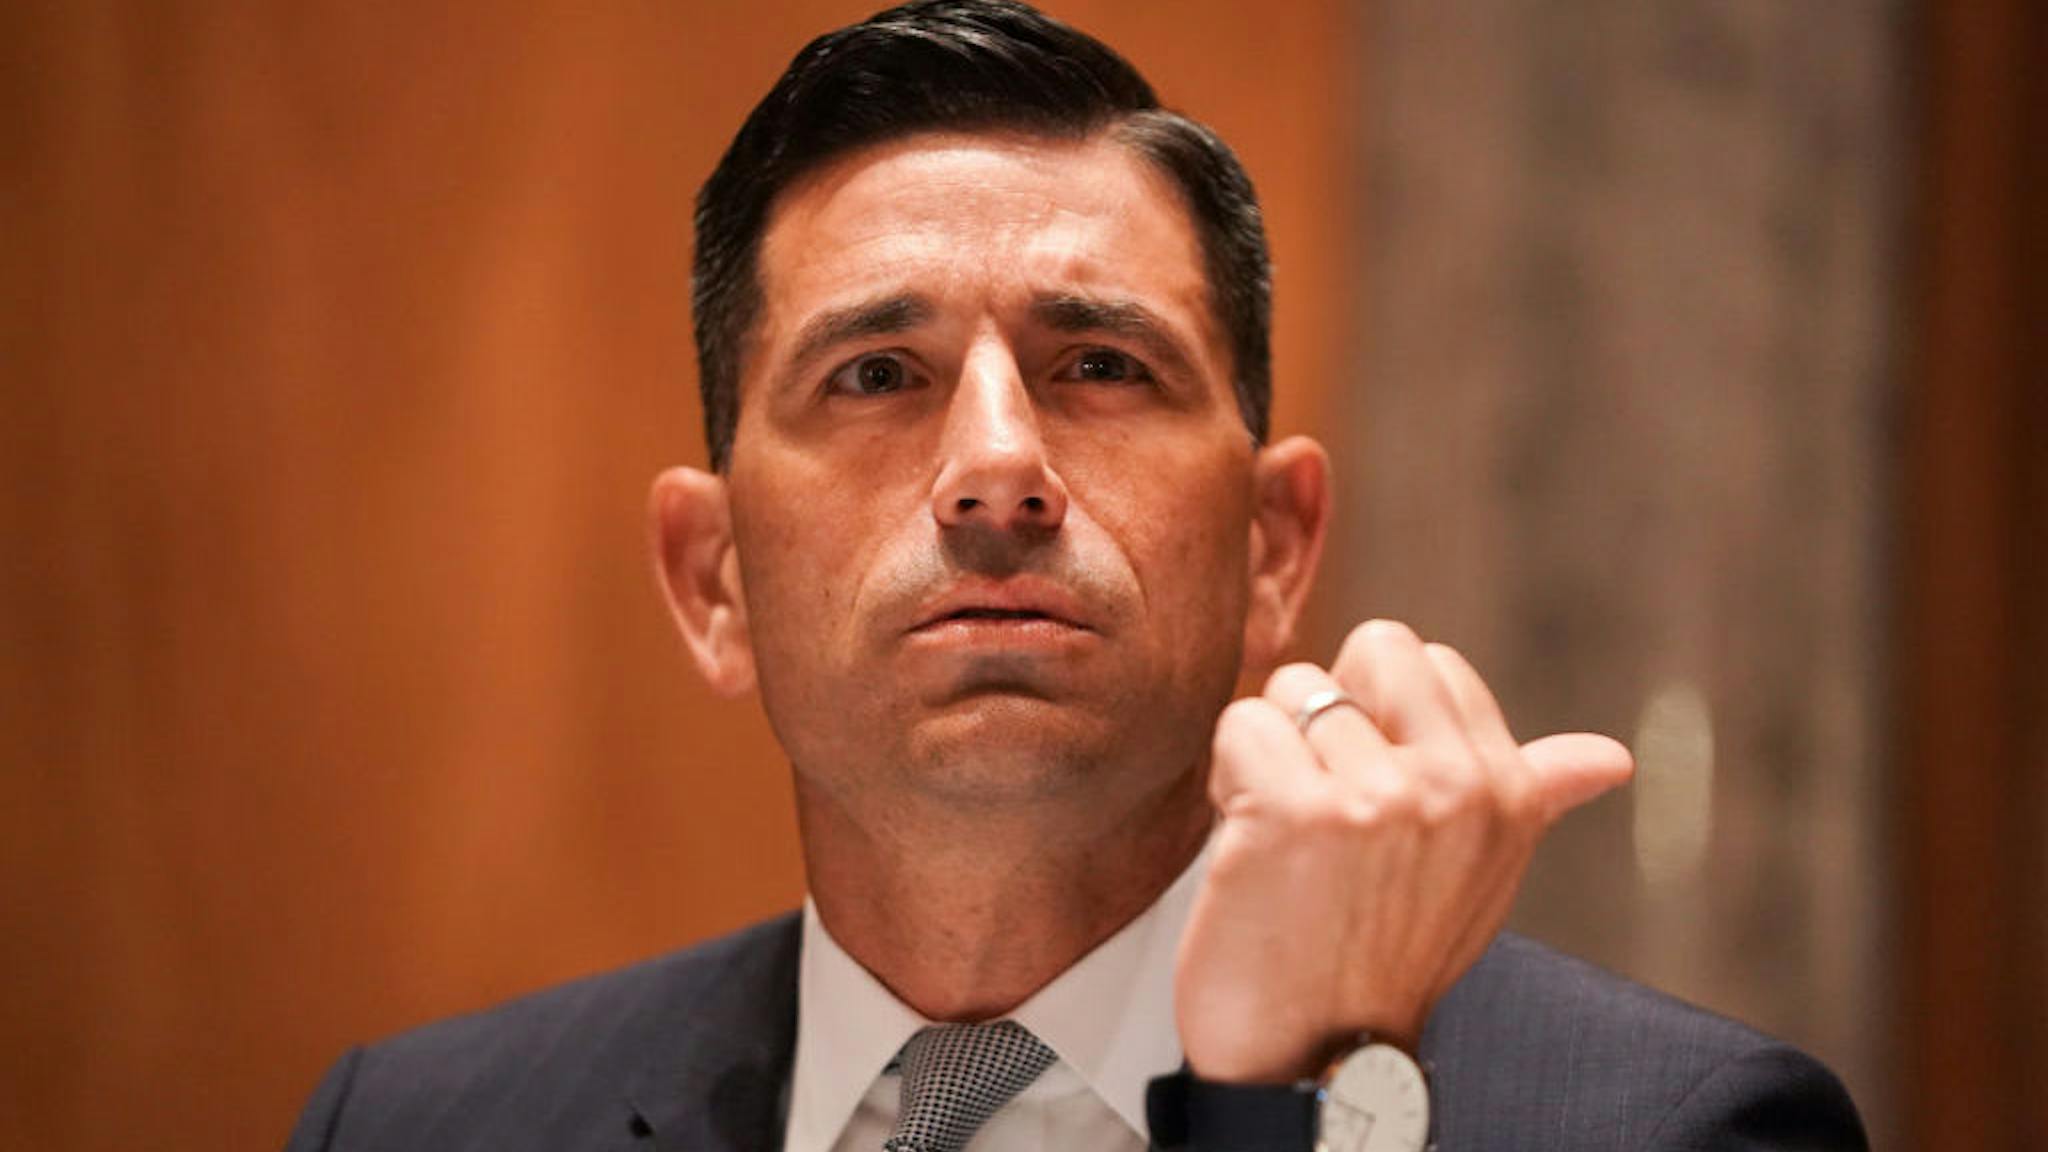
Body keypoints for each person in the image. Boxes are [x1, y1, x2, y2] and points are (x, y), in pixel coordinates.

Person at [284, 3, 1868, 1149]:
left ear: (1272, 547)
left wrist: (1318, 1104)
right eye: (875, 374)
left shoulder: (1675, 1129)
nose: (995, 468)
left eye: (1102, 364)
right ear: (711, 582)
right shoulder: (415, 1126)